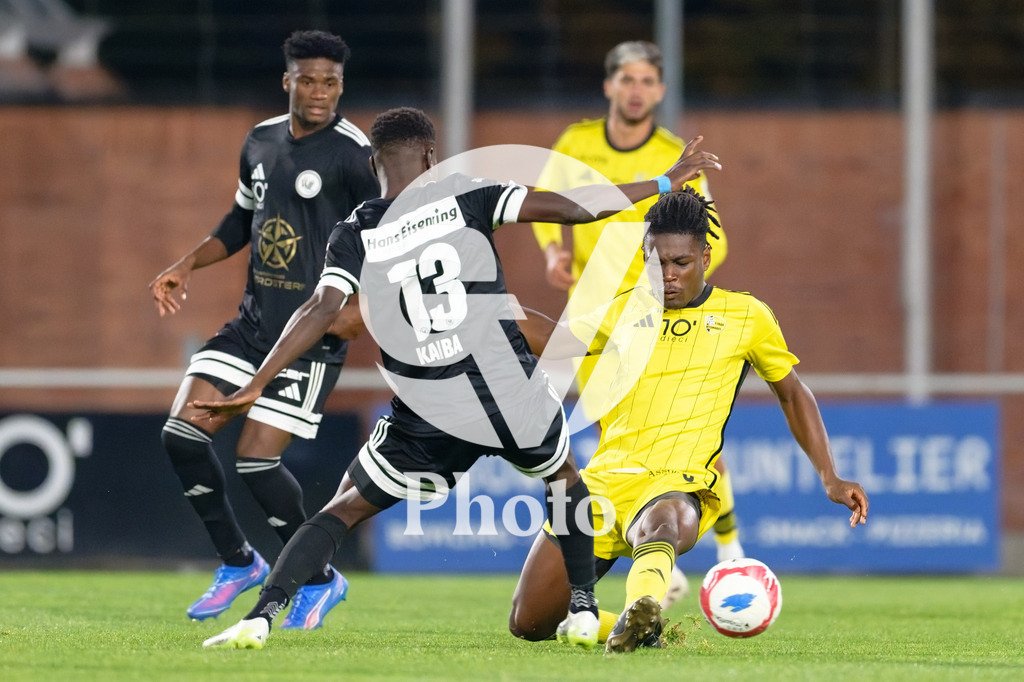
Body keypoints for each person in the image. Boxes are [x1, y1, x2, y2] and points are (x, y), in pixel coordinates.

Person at [188, 107, 723, 650]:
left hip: (429, 405)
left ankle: (260, 617)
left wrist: (259, 381)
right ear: (430, 158)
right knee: (563, 477)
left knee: (343, 507)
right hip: (506, 390)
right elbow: (572, 209)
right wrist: (661, 181)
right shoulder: (465, 194)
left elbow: (321, 308)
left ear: (373, 163)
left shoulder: (356, 230)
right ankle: (584, 608)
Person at [509, 187, 869, 653]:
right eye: (658, 263)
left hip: (680, 481)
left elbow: (792, 393)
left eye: (681, 262)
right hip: (603, 482)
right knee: (530, 622)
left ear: (706, 254)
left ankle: (645, 602)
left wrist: (830, 475)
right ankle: (635, 629)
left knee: (661, 524)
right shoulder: (625, 310)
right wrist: (491, 315)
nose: (669, 275)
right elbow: (553, 339)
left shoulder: (746, 317)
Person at [148, 30, 379, 630]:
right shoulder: (261, 140)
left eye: (331, 82)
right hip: (250, 325)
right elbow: (241, 220)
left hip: (310, 339)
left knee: (255, 462)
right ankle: (238, 562)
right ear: (288, 81)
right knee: (181, 434)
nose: (320, 92)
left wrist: (364, 311)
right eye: (309, 80)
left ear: (340, 86)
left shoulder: (356, 156)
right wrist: (186, 263)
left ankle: (319, 578)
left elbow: (392, 244)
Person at [532, 41, 741, 602]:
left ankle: (728, 549)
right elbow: (546, 203)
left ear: (660, 91)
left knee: (683, 437)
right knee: (611, 438)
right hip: (599, 317)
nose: (637, 90)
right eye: (627, 79)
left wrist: (674, 289)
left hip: (657, 319)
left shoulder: (676, 153)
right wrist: (554, 250)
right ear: (609, 86)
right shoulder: (576, 143)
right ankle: (645, 551)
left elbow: (710, 238)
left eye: (647, 81)